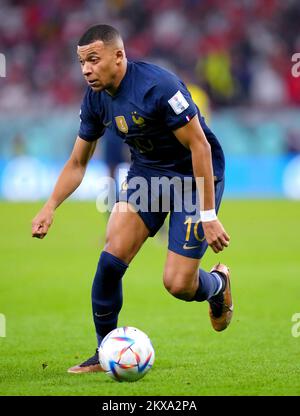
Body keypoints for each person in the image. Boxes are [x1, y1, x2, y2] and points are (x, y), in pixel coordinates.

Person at [31, 25, 233, 374]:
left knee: (179, 285)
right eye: (82, 62)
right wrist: (50, 206)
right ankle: (104, 349)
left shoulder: (159, 86)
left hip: (192, 180)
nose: (86, 70)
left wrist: (208, 213)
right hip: (148, 178)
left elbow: (199, 145)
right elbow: (78, 162)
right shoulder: (95, 99)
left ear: (119, 56)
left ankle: (218, 285)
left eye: (94, 60)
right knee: (110, 260)